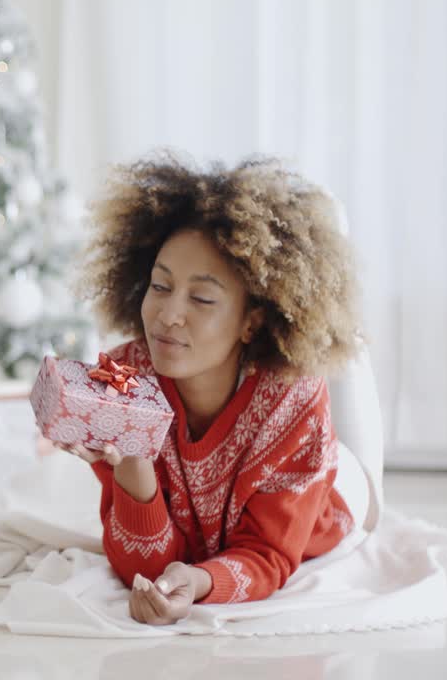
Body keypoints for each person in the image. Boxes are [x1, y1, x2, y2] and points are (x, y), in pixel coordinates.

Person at [65, 153, 364, 625]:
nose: (167, 316)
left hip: (329, 487)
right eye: (160, 287)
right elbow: (143, 569)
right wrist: (134, 465)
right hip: (235, 482)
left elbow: (268, 554)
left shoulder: (293, 397)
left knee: (341, 373)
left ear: (252, 321)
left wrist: (207, 581)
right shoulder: (125, 379)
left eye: (201, 298)